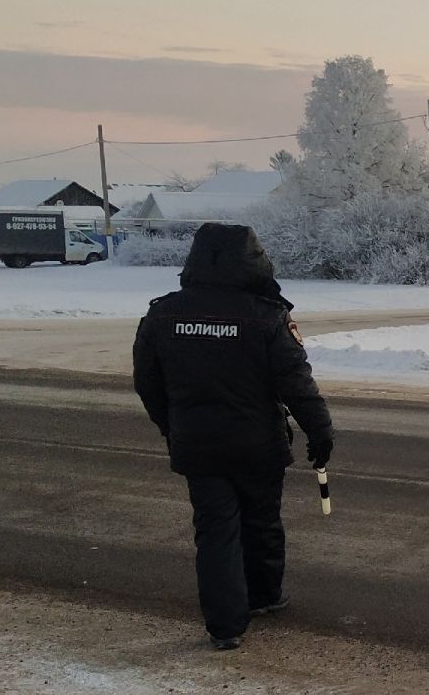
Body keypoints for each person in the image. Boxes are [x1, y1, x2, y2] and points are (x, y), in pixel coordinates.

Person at [132, 223, 333, 651]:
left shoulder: (164, 314)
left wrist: (171, 426)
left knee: (215, 531)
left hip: (198, 445)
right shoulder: (266, 315)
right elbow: (296, 383)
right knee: (261, 521)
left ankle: (225, 627)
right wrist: (320, 431)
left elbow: (148, 382)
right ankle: (263, 595)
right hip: (258, 444)